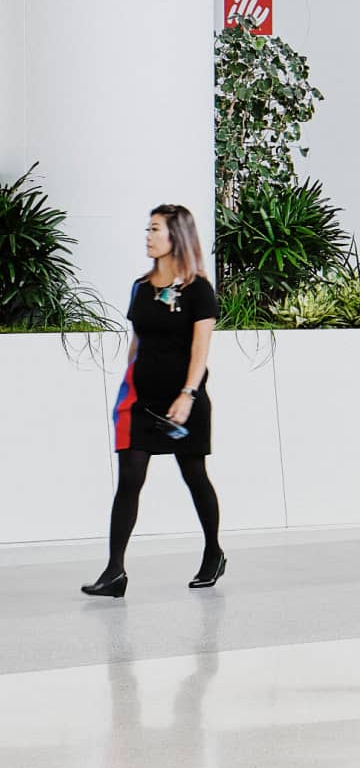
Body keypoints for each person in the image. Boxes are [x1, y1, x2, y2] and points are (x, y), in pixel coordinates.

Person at [83, 205, 225, 598]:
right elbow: (137, 342)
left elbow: (200, 351)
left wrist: (188, 395)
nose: (147, 235)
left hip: (184, 402)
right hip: (140, 401)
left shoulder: (198, 289)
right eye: (148, 228)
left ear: (176, 236)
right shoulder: (141, 287)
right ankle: (114, 572)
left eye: (155, 229)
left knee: (195, 476)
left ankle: (214, 552)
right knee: (129, 478)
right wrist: (129, 383)